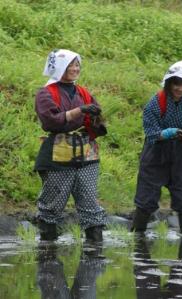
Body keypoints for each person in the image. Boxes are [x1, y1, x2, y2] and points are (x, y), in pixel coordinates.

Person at [34, 49, 107, 242]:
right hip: (58, 154)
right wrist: (79, 111)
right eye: (70, 65)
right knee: (52, 204)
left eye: (77, 65)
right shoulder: (46, 93)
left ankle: (94, 253)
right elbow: (51, 121)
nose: (75, 69)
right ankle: (48, 251)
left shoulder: (82, 92)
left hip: (87, 154)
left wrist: (96, 117)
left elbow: (96, 116)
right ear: (58, 67)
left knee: (90, 203)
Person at [131, 60, 182, 235]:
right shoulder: (156, 102)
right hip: (156, 155)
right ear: (169, 83)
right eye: (176, 84)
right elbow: (150, 133)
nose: (179, 89)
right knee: (146, 199)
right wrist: (169, 133)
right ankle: (137, 241)